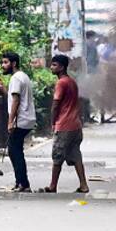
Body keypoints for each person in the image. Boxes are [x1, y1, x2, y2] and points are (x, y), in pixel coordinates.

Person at [40, 55, 89, 194]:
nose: (51, 67)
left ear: (61, 67)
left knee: (57, 156)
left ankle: (53, 186)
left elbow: (55, 104)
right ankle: (83, 184)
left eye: (54, 65)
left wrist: (53, 123)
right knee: (76, 155)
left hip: (64, 125)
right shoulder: (72, 82)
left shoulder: (61, 83)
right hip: (76, 125)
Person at [0, 52, 36, 192]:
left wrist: (10, 121)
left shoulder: (16, 78)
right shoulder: (22, 76)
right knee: (15, 150)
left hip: (21, 120)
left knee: (14, 151)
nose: (3, 65)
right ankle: (21, 183)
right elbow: (14, 97)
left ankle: (23, 184)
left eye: (5, 62)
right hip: (27, 118)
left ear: (14, 63)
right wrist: (2, 88)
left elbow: (16, 101)